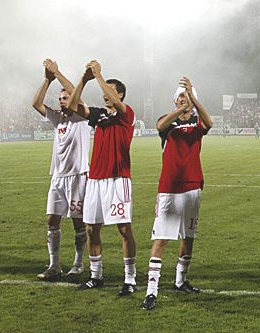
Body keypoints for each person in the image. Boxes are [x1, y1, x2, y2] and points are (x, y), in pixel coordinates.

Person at [141, 77, 213, 310]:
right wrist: (182, 107)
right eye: (180, 95)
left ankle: (181, 281)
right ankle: (152, 291)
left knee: (188, 237)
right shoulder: (167, 122)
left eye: (187, 95)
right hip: (170, 188)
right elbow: (160, 127)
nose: (183, 98)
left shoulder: (197, 123)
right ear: (174, 99)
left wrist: (193, 97)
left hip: (192, 187)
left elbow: (209, 123)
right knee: (161, 239)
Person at [67, 60, 137, 296]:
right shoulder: (99, 115)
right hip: (95, 180)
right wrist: (84, 80)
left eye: (110, 90)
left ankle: (130, 279)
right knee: (90, 229)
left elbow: (116, 102)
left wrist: (99, 76)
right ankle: (96, 276)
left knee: (124, 229)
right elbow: (74, 105)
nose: (105, 94)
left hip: (118, 179)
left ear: (120, 94)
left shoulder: (127, 114)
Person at [31, 59, 90, 280]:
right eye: (60, 99)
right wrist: (47, 80)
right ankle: (54, 265)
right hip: (57, 176)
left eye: (65, 98)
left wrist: (59, 72)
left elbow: (76, 95)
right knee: (52, 220)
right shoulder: (58, 119)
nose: (62, 101)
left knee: (78, 222)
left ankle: (78, 263)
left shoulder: (81, 117)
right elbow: (36, 104)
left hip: (77, 176)